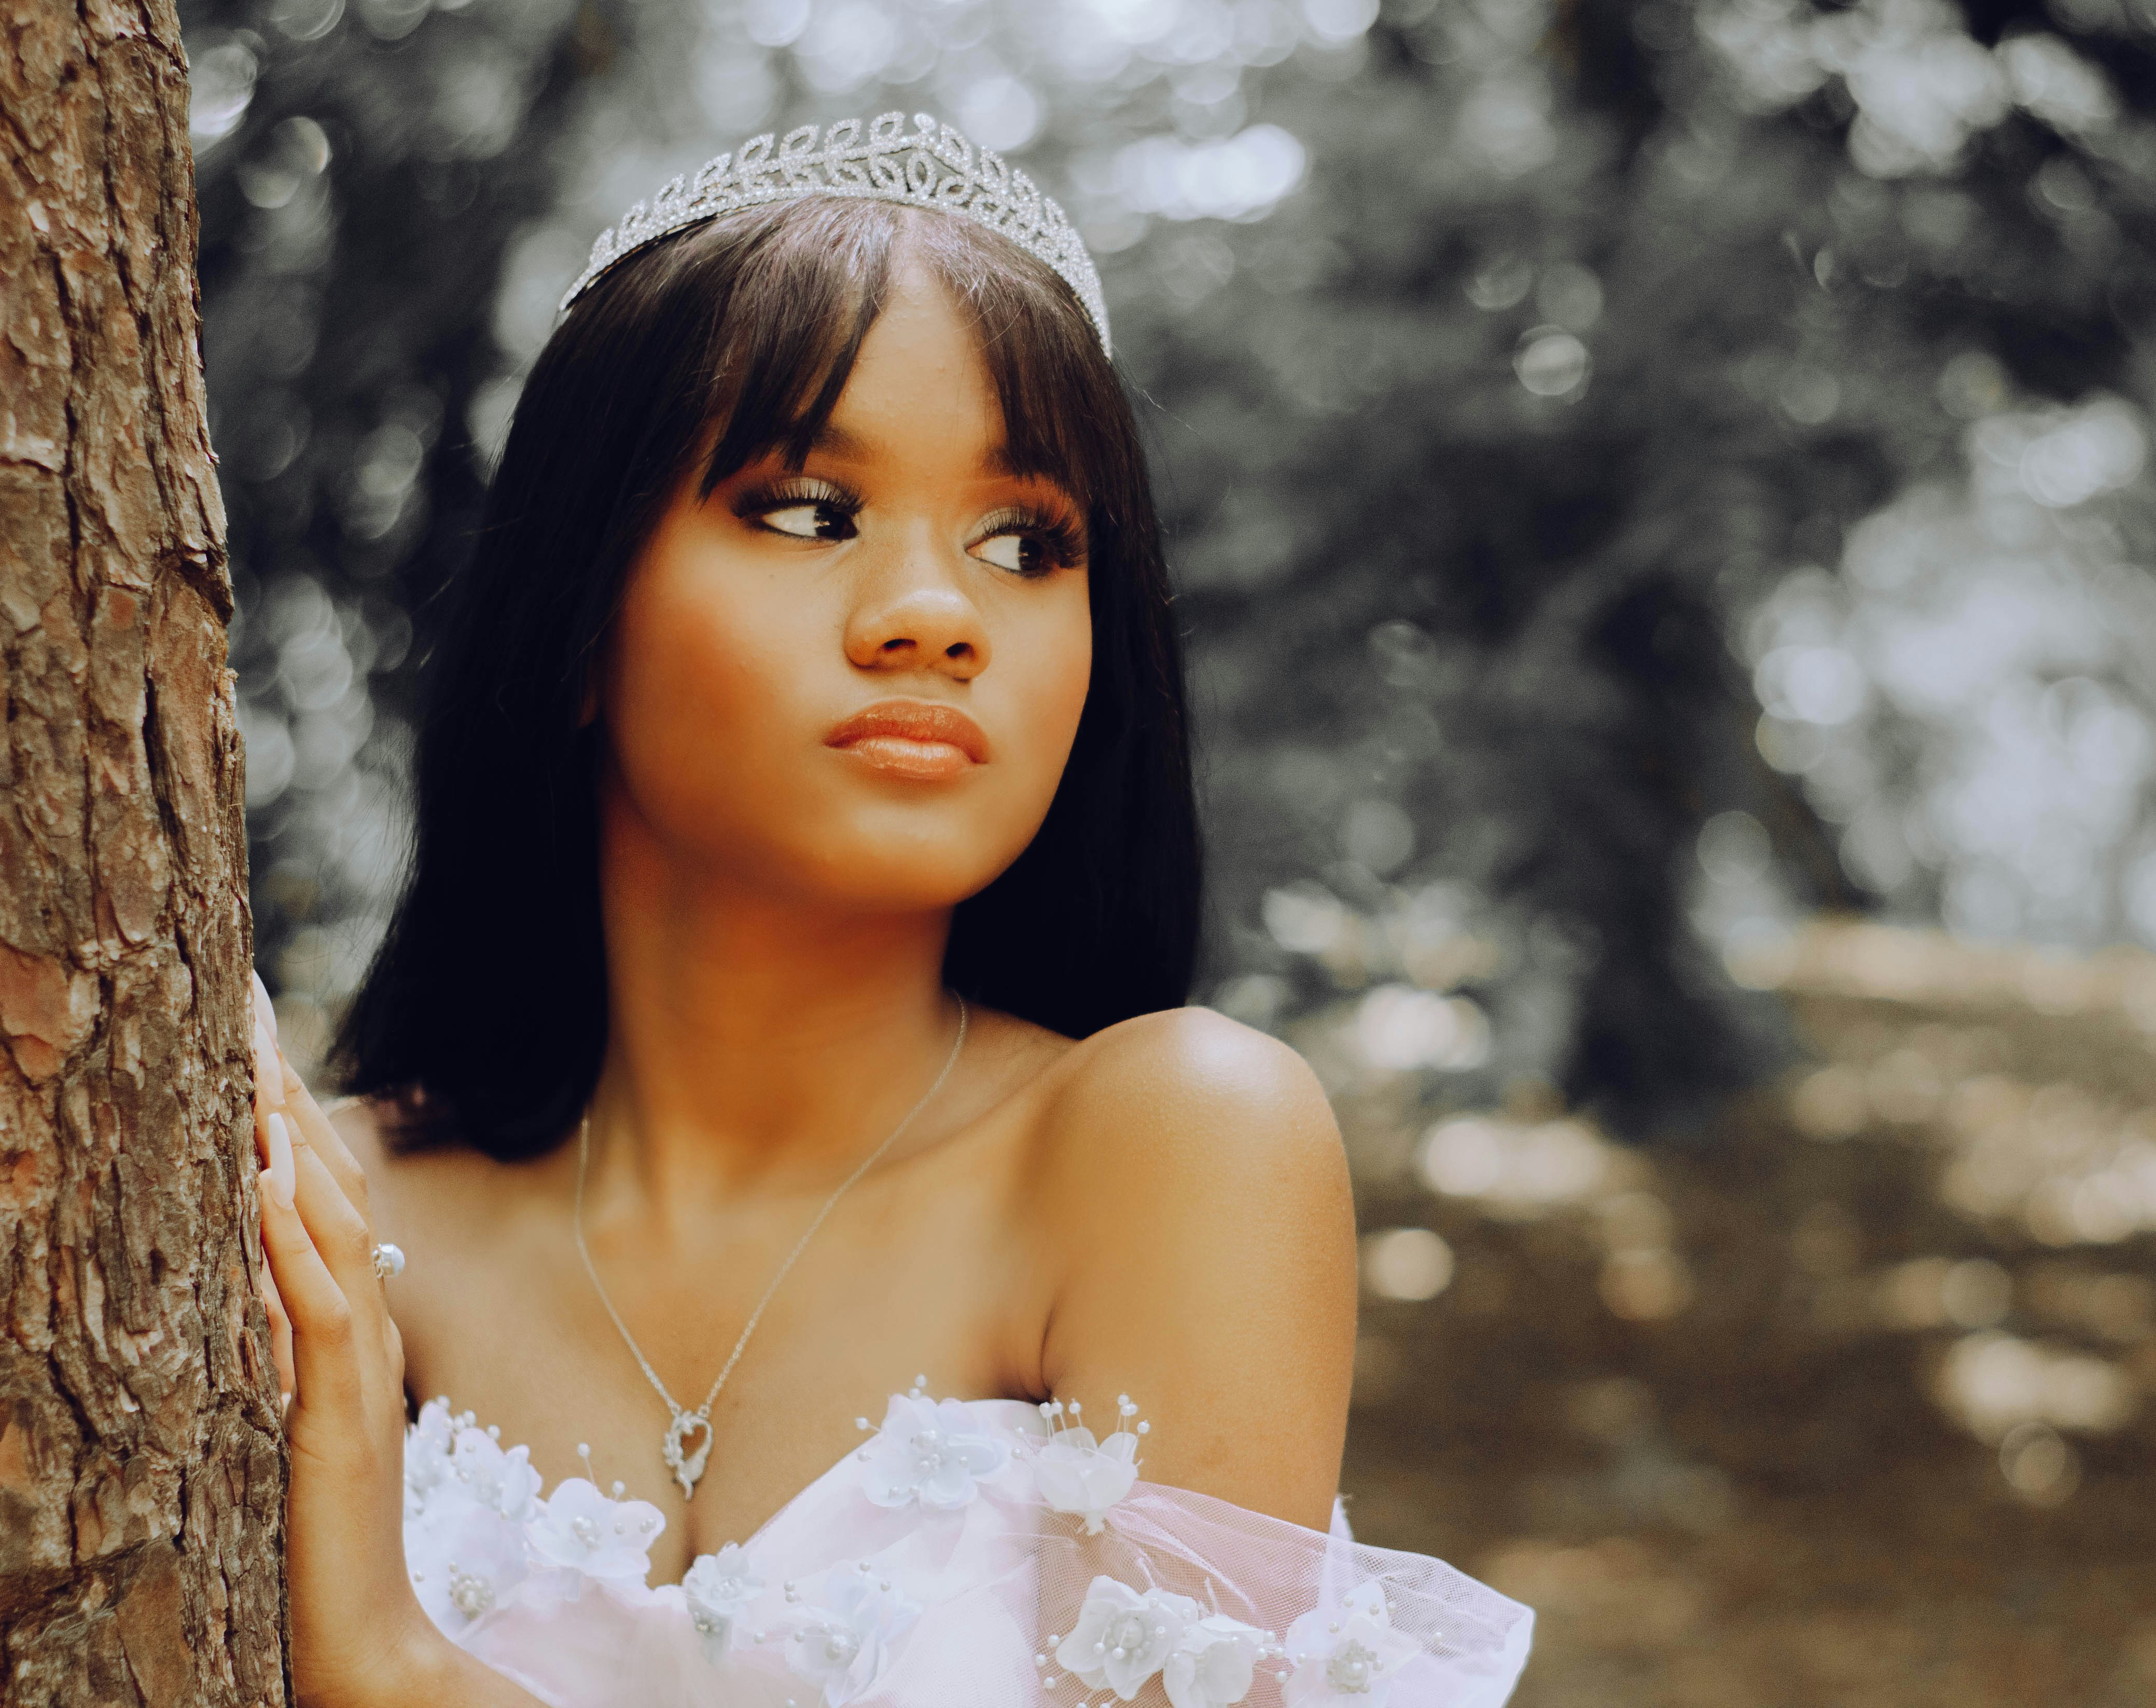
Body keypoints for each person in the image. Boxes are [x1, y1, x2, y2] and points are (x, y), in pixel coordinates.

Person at [244, 113, 1533, 1708]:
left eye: (1027, 541)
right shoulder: (328, 1217)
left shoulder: (1174, 1147)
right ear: (576, 618)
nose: (936, 616)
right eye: (806, 509)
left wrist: (396, 1672)